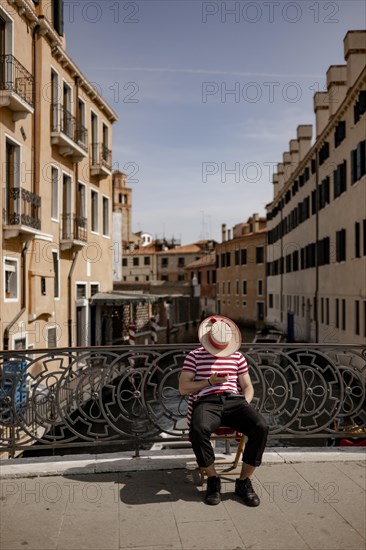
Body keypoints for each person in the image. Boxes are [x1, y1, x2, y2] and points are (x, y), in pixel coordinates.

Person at [179, 315, 268, 506]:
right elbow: (183, 388)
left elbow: (248, 387)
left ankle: (243, 482)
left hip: (235, 401)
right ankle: (213, 479)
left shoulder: (238, 356)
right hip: (207, 401)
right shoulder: (194, 356)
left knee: (261, 426)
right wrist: (210, 382)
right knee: (198, 429)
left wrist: (244, 403)